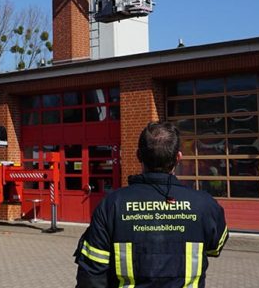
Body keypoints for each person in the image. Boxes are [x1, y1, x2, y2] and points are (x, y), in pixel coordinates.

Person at [74, 122, 228, 288]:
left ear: (138, 155)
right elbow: (215, 248)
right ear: (178, 158)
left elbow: (91, 275)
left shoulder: (111, 205)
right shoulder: (205, 205)